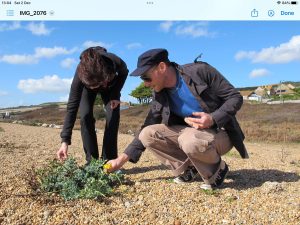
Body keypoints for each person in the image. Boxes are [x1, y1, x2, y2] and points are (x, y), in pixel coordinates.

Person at [107, 48, 248, 190]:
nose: (146, 83)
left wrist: (213, 118)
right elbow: (149, 123)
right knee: (147, 134)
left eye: (146, 77)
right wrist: (120, 160)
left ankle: (217, 171)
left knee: (189, 139)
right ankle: (189, 169)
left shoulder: (201, 71)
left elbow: (235, 97)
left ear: (162, 67)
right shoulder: (159, 93)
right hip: (191, 134)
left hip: (220, 132)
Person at [57, 46, 128, 163]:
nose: (101, 87)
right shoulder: (80, 75)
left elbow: (124, 72)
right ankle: (92, 161)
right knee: (85, 116)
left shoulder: (115, 60)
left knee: (113, 114)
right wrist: (64, 142)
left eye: (102, 83)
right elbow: (72, 107)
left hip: (111, 86)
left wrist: (115, 94)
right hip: (88, 89)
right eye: (97, 85)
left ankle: (109, 159)